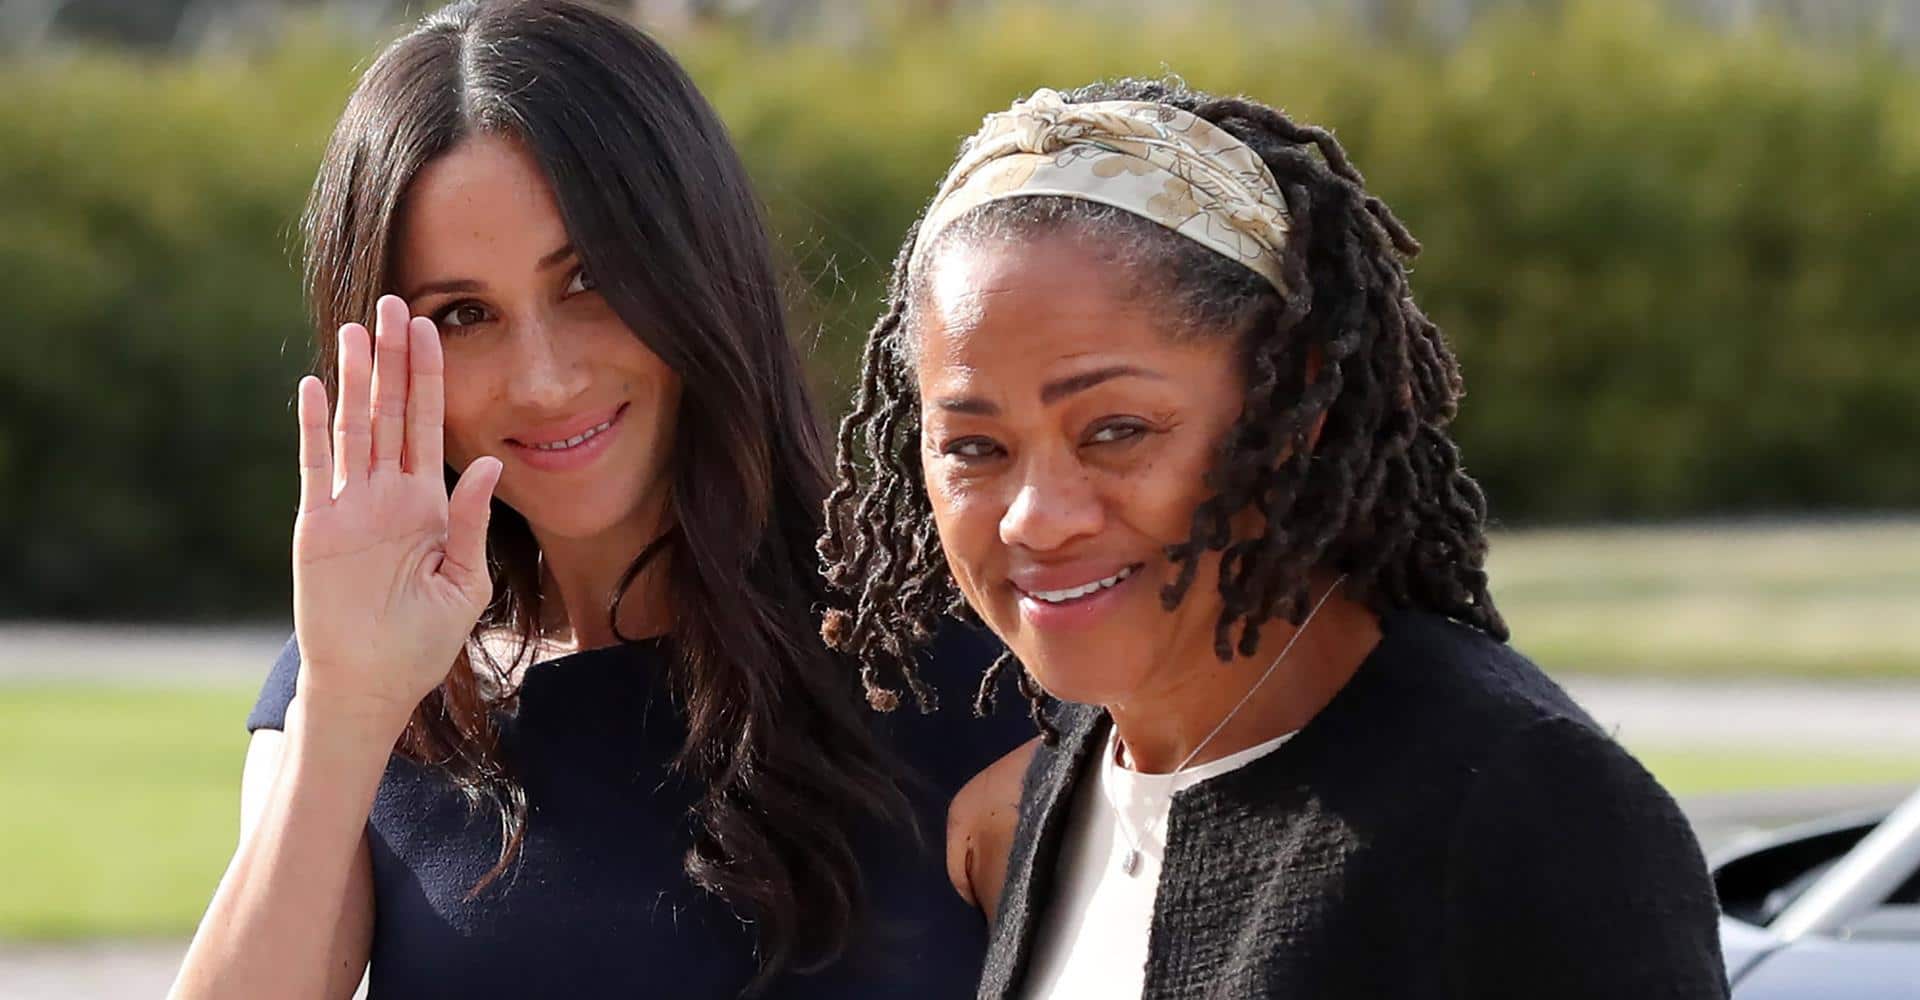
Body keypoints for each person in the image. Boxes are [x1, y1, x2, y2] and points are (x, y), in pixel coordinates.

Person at [169, 2, 1028, 997]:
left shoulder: (966, 673)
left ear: (697, 266)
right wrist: (348, 706)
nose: (543, 380)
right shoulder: (365, 682)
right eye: (464, 314)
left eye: (588, 281)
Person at [819, 80, 1731, 999]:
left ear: (1291, 402)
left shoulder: (1518, 806)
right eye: (974, 447)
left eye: (1116, 431)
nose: (1036, 517)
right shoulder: (1049, 795)